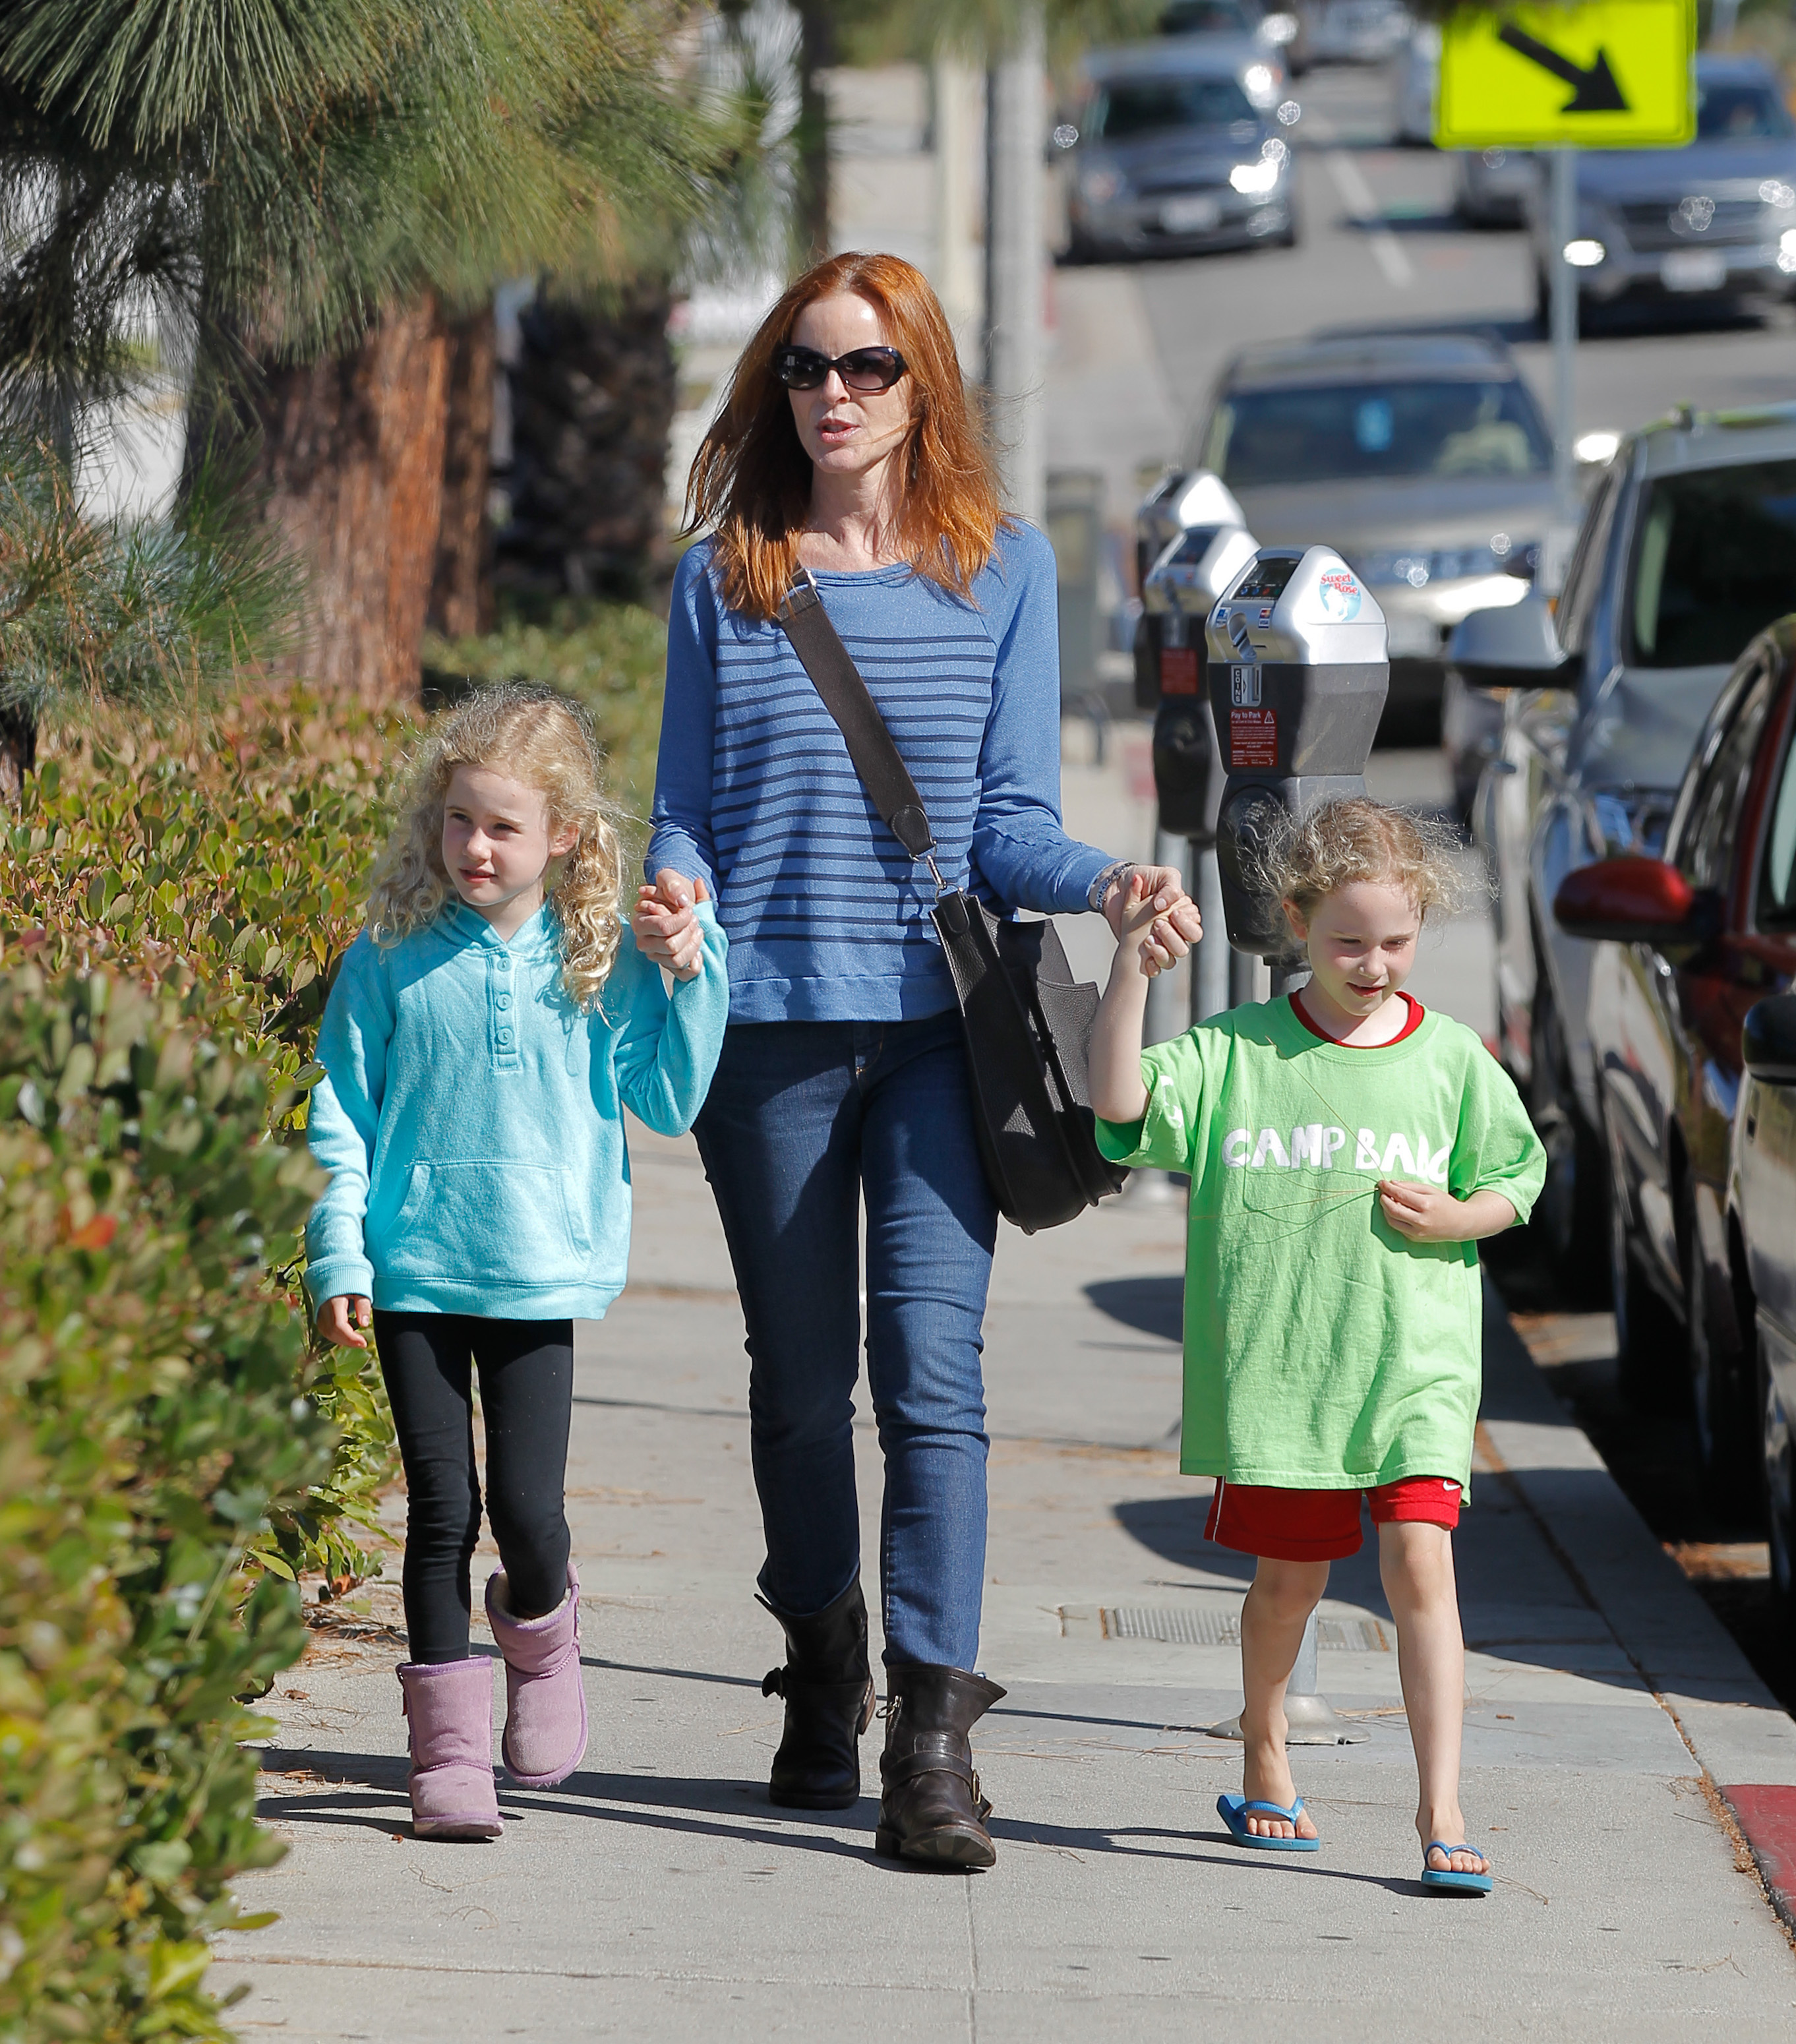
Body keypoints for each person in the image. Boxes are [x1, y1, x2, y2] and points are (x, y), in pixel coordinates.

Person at [634, 249, 1200, 1871]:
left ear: (921, 384)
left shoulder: (1002, 569)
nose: (835, 394)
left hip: (945, 1036)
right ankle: (822, 1663)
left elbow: (1003, 823)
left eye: (870, 368)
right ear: (777, 386)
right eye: (810, 368)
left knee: (933, 1386)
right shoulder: (722, 575)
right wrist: (672, 890)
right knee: (803, 1392)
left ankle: (933, 1742)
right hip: (770, 1041)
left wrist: (1103, 881)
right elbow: (687, 797)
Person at [1087, 798, 1545, 1894]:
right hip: (1288, 1373)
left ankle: (1440, 1806)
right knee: (1289, 1582)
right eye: (1348, 941)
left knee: (1420, 1567)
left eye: (1396, 940)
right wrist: (1131, 973)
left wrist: (1462, 1216)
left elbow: (1518, 1178)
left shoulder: (1455, 1061)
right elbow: (1120, 1104)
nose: (1374, 963)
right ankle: (1266, 1748)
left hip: (1415, 1368)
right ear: (1294, 920)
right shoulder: (1239, 1053)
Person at [304, 684, 728, 1841]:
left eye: (502, 827)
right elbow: (342, 1107)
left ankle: (544, 1646)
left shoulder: (598, 959)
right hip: (415, 1271)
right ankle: (444, 1758)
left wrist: (692, 970)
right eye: (458, 822)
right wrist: (339, 1248)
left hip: (541, 1273)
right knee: (442, 1505)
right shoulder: (388, 955)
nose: (476, 848)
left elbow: (668, 1096)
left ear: (566, 836)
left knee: (529, 1514)